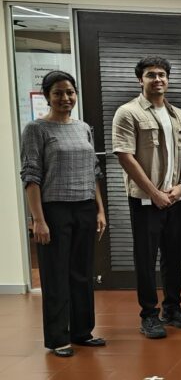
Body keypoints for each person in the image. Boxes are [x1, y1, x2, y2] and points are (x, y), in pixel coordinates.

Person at [21, 71, 107, 357]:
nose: (65, 98)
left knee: (82, 274)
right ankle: (58, 337)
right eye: (58, 93)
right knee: (55, 274)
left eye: (70, 92)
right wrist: (38, 219)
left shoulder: (84, 128)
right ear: (47, 96)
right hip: (53, 209)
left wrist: (99, 210)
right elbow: (31, 176)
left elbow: (94, 172)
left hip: (84, 207)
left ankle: (82, 331)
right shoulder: (36, 129)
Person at [112, 56, 181, 339]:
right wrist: (154, 193)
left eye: (162, 74)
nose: (157, 79)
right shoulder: (128, 112)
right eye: (151, 75)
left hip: (175, 197)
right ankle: (148, 314)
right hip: (146, 200)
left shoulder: (178, 115)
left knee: (173, 255)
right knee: (146, 258)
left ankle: (172, 308)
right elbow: (125, 156)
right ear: (140, 79)